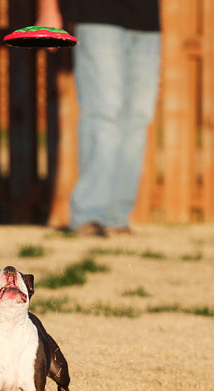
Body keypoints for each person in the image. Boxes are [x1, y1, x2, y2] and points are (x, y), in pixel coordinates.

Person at [37, 0, 161, 236]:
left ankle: (116, 217)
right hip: (97, 14)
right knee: (103, 113)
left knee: (138, 116)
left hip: (147, 21)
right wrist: (48, 10)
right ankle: (89, 215)